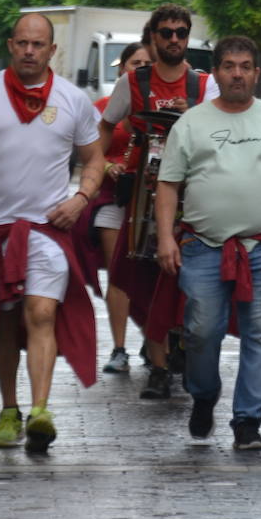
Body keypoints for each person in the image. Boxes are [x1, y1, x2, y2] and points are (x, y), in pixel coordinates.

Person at [0, 13, 105, 453]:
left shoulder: (72, 99)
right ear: (11, 45)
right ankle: (9, 409)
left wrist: (81, 199)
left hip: (49, 228)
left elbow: (95, 158)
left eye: (39, 44)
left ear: (53, 51)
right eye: (23, 43)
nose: (30, 51)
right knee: (4, 322)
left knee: (42, 313)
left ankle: (41, 410)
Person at [155, 35, 261, 450]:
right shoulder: (191, 123)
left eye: (245, 66)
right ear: (215, 72)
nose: (237, 73)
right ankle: (204, 393)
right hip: (202, 246)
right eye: (229, 66)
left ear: (256, 73)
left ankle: (248, 421)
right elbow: (168, 184)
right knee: (199, 331)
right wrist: (164, 237)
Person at [98, 3, 219, 400]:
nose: (173, 39)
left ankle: (181, 341)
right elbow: (104, 126)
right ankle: (159, 367)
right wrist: (100, 164)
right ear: (152, 37)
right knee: (147, 281)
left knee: (193, 278)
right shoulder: (132, 82)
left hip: (195, 196)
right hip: (143, 197)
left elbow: (223, 133)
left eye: (181, 32)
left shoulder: (205, 86)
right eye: (165, 32)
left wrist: (197, 117)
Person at [93, 41, 152, 374]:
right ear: (122, 69)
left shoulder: (161, 104)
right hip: (114, 198)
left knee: (152, 273)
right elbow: (90, 154)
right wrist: (106, 168)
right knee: (118, 271)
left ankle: (153, 338)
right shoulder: (103, 107)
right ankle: (119, 348)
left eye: (147, 63)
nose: (140, 68)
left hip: (153, 200)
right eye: (135, 62)